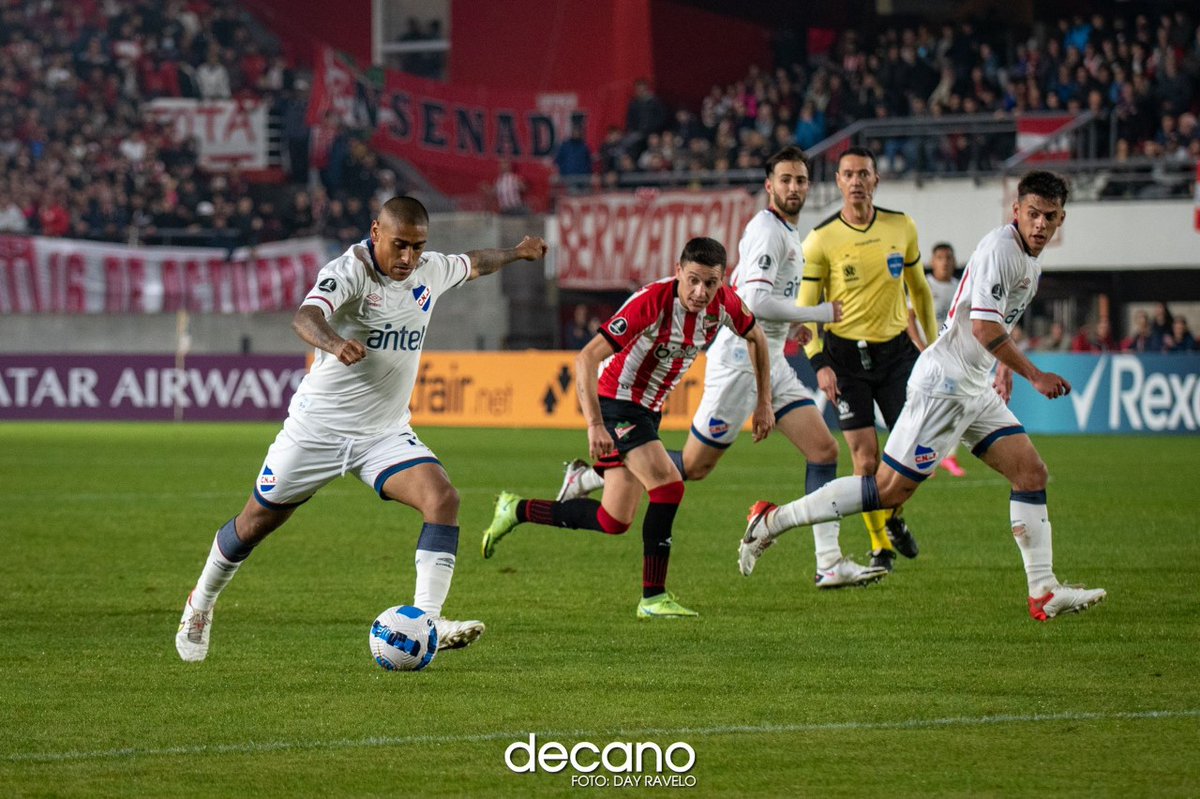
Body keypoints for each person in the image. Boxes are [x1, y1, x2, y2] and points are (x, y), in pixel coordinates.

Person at [175, 196, 549, 662]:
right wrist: (335, 343)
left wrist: (516, 252)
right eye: (399, 245)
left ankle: (426, 621)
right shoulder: (349, 272)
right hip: (318, 431)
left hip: (382, 434)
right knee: (253, 524)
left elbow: (474, 262)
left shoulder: (429, 271)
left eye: (417, 247)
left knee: (443, 499)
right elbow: (305, 317)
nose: (408, 257)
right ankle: (201, 602)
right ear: (376, 233)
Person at [739, 170, 1107, 622]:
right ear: (1016, 210)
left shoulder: (1030, 261)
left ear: (1061, 219)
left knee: (1031, 473)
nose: (1040, 224)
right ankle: (771, 521)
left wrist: (1002, 369)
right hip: (944, 386)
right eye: (1033, 213)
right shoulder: (1002, 249)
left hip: (974, 386)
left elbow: (993, 323)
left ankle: (1044, 591)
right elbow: (983, 326)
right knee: (886, 490)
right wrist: (1033, 374)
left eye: (1049, 217)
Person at [555, 146, 883, 589]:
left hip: (769, 358)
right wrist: (819, 313)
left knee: (824, 451)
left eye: (801, 180)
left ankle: (828, 562)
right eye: (785, 180)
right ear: (769, 185)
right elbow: (754, 301)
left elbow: (757, 300)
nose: (793, 188)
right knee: (694, 466)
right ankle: (594, 475)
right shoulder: (767, 230)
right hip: (740, 363)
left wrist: (789, 328)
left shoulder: (787, 231)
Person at [481, 237, 775, 618]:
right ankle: (652, 598)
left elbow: (757, 337)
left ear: (722, 281)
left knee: (614, 520)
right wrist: (594, 425)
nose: (701, 292)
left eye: (710, 283)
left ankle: (516, 509)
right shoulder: (651, 303)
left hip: (648, 410)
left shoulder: (725, 304)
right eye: (693, 280)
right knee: (669, 486)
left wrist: (764, 401)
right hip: (616, 401)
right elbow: (586, 358)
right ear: (678, 272)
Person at [797, 146, 938, 573]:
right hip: (845, 360)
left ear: (876, 179)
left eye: (864, 174)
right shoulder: (821, 239)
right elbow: (806, 310)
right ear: (838, 182)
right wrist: (818, 361)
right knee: (865, 460)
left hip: (897, 356)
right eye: (848, 174)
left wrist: (934, 348)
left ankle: (892, 516)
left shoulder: (901, 226)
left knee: (918, 457)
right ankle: (881, 548)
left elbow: (920, 291)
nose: (856, 181)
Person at [923, 242, 966, 477]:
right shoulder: (925, 285)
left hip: (951, 357)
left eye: (949, 257)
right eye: (940, 257)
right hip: (925, 356)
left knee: (955, 404)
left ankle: (949, 456)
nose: (945, 262)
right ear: (932, 261)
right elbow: (909, 317)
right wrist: (920, 348)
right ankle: (923, 458)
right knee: (926, 408)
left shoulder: (960, 287)